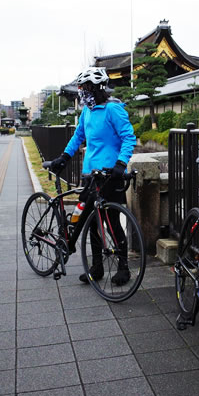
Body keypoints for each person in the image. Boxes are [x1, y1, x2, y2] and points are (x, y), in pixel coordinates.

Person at [49, 67, 136, 285]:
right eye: (80, 88)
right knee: (91, 221)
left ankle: (123, 268)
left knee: (112, 222)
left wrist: (121, 163)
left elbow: (129, 137)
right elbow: (78, 136)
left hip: (111, 174)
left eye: (84, 88)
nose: (81, 92)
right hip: (90, 174)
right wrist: (64, 157)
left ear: (96, 88)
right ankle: (96, 266)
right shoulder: (86, 111)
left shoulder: (112, 109)